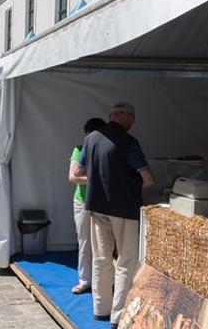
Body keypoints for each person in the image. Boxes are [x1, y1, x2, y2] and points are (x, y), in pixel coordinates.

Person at [75, 102, 155, 325]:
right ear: (128, 118)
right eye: (132, 120)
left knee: (101, 259)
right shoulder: (129, 142)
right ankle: (118, 314)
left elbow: (78, 170)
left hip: (97, 206)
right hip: (124, 209)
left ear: (111, 116)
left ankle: (100, 308)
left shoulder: (91, 139)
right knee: (125, 261)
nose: (132, 123)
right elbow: (149, 179)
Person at [69, 118, 108, 295]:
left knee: (104, 243)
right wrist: (98, 180)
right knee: (85, 242)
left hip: (103, 202)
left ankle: (103, 280)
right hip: (83, 202)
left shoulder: (107, 150)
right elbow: (73, 177)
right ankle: (85, 280)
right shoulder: (79, 149)